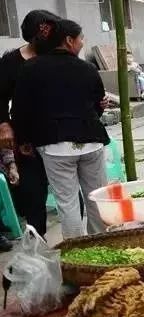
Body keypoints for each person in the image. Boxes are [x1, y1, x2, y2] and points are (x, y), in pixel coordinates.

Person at [14, 19, 107, 238]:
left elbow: (21, 109)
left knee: (68, 204)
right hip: (90, 141)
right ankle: (104, 246)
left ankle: (78, 257)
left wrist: (24, 140)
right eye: (80, 38)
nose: (82, 43)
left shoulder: (31, 69)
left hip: (56, 147)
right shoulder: (87, 68)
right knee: (96, 199)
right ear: (68, 40)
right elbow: (97, 104)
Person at [0, 10, 62, 238]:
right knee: (34, 196)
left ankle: (76, 247)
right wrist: (3, 124)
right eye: (44, 32)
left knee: (69, 194)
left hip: (59, 134)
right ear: (33, 35)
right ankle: (37, 250)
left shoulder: (58, 58)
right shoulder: (11, 62)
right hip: (27, 139)